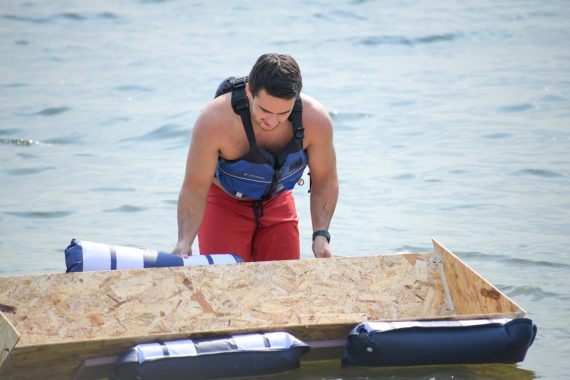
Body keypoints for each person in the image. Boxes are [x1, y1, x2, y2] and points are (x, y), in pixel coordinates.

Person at [172, 53, 338, 262]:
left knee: (282, 286)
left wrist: (321, 235)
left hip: (278, 202)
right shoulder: (214, 121)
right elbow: (194, 187)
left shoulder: (316, 120)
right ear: (250, 91)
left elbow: (325, 179)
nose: (272, 121)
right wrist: (184, 242)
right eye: (264, 110)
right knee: (227, 285)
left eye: (283, 113)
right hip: (225, 203)